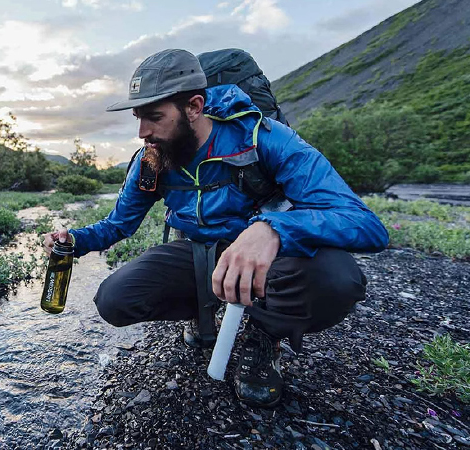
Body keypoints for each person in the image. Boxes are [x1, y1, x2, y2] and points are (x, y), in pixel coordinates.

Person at [42, 49, 389, 408]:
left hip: (270, 261)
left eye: (154, 117)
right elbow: (118, 224)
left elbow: (365, 224)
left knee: (337, 279)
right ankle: (200, 309)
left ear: (194, 107)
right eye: (138, 117)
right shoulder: (151, 159)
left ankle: (264, 334)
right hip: (201, 254)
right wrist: (75, 240)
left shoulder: (263, 139)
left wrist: (272, 228)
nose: (143, 132)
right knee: (116, 299)